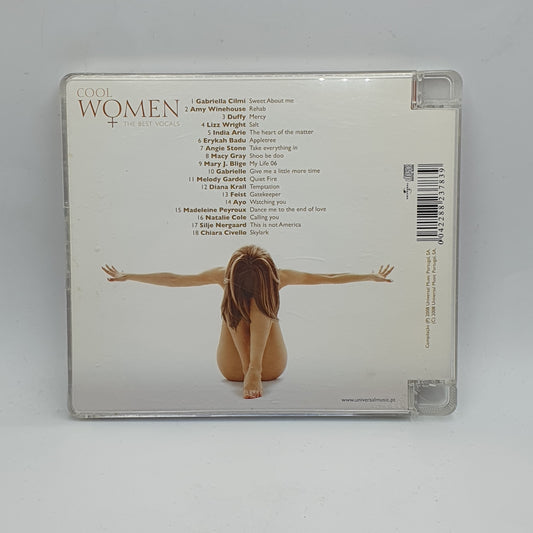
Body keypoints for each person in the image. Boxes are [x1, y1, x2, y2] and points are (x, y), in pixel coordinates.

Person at [102, 245, 394, 399]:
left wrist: (369, 276)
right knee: (243, 303)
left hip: (248, 369)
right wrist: (130, 276)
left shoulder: (273, 278)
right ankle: (251, 368)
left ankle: (252, 368)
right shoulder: (236, 277)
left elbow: (329, 278)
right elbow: (174, 279)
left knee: (256, 304)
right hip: (253, 368)